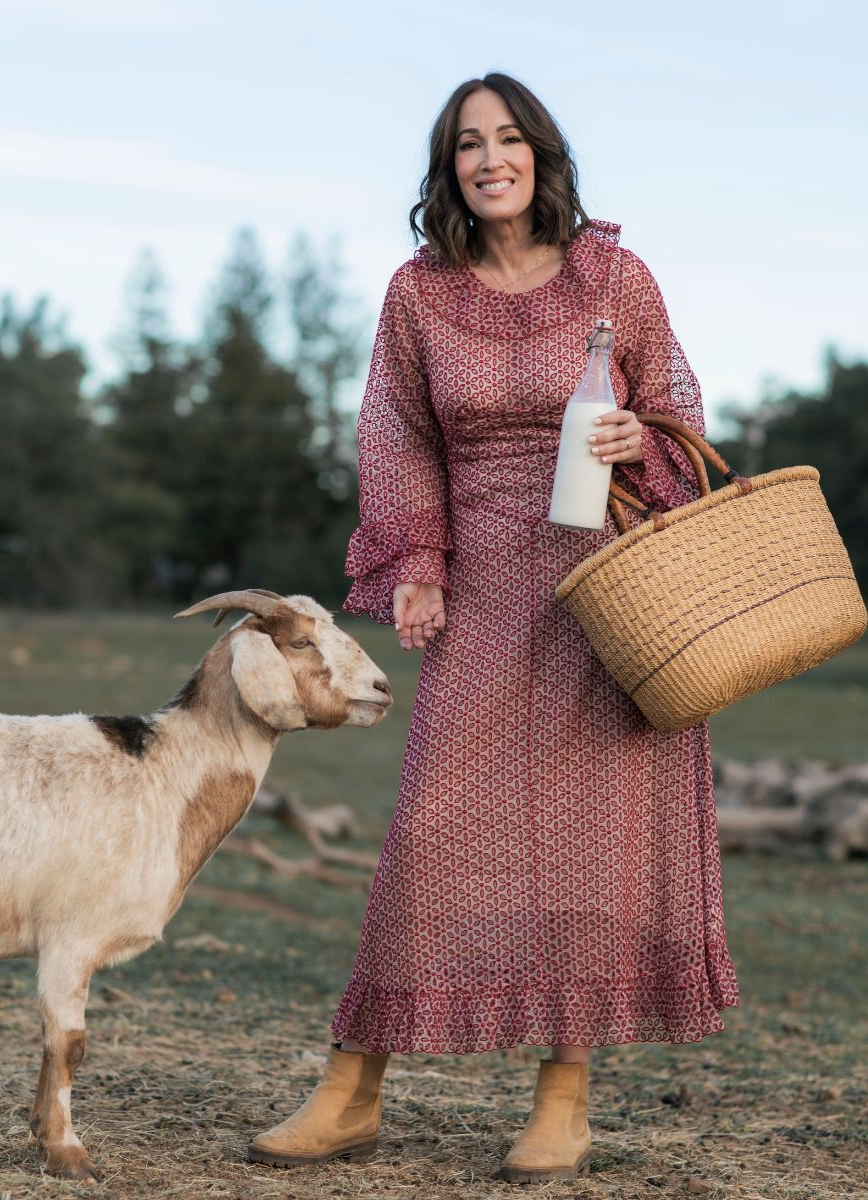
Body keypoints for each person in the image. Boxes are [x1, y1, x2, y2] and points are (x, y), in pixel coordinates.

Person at [249, 71, 740, 1184]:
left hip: (611, 585)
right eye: (468, 144)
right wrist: (417, 564)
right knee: (427, 830)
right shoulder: (417, 295)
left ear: (543, 154)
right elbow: (397, 434)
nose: (490, 158)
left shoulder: (617, 275)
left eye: (509, 138)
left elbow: (681, 410)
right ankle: (351, 1088)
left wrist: (638, 441)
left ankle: (563, 1098)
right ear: (449, 169)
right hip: (481, 581)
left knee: (596, 844)